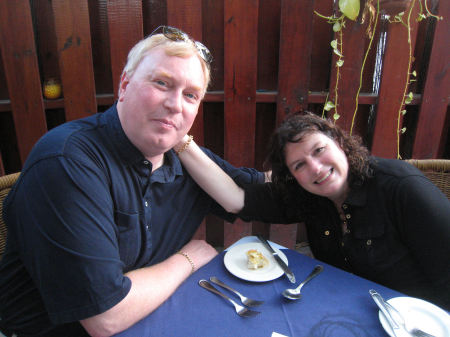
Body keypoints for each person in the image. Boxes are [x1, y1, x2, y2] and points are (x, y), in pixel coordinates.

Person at [0, 26, 264, 337]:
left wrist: (323, 164)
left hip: (151, 319)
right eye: (162, 83)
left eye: (190, 95)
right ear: (125, 85)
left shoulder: (186, 159)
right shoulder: (68, 162)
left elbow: (262, 192)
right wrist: (190, 258)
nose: (175, 104)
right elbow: (104, 316)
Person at [175, 112, 450, 310]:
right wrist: (178, 140)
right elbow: (234, 198)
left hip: (419, 323)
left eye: (319, 150)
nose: (316, 169)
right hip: (353, 311)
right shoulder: (309, 196)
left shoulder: (402, 188)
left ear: (339, 142)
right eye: (299, 165)